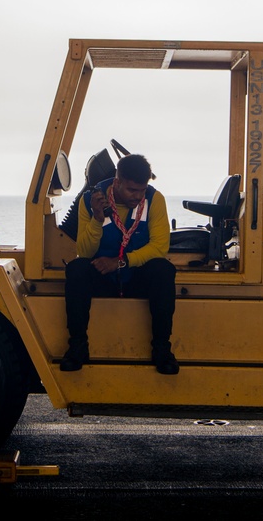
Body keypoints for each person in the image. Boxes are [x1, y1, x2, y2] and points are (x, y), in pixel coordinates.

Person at [60, 154, 178, 374]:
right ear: (117, 183)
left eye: (142, 190)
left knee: (163, 270)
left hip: (134, 276)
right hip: (103, 276)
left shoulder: (154, 200)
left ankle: (162, 349)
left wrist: (121, 262)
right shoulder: (90, 201)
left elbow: (160, 247)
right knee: (76, 269)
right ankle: (77, 347)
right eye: (132, 190)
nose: (138, 196)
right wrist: (96, 218)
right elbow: (83, 252)